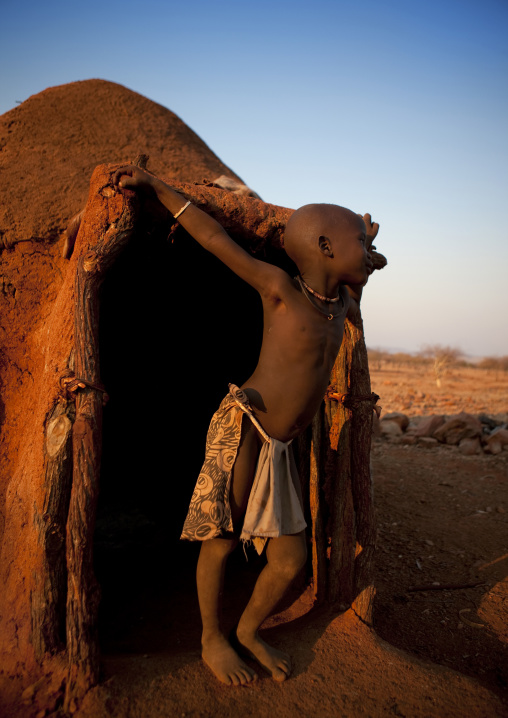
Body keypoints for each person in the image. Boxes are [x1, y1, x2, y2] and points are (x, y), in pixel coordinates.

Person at [113, 166, 379, 687]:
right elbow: (215, 240)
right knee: (221, 540)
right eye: (355, 244)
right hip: (247, 427)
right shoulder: (281, 289)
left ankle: (250, 631)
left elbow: (372, 264)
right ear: (324, 246)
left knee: (289, 559)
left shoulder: (342, 304)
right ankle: (213, 640)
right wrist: (157, 188)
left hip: (280, 447)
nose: (366, 254)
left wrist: (367, 246)